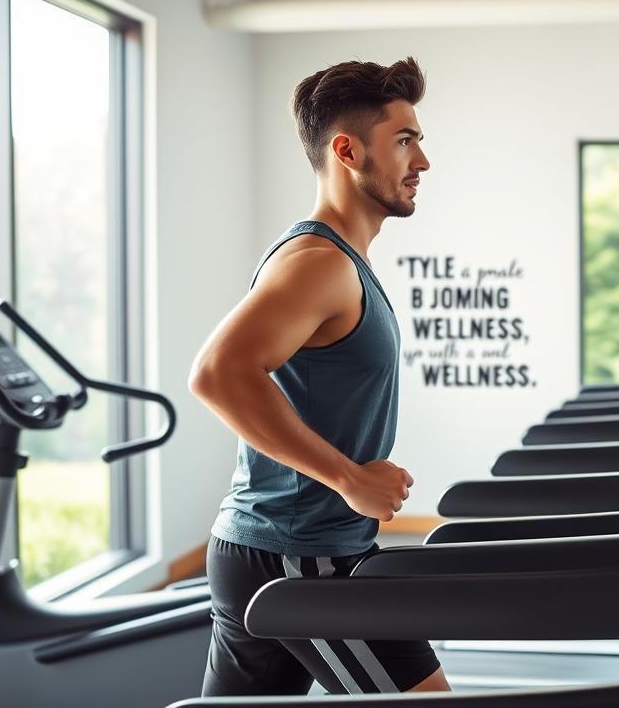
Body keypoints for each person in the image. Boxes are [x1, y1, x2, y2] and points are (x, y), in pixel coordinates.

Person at [189, 57, 447, 696]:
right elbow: (218, 373)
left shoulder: (336, 259)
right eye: (405, 140)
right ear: (347, 150)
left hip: (274, 548)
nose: (423, 162)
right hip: (301, 557)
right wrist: (349, 477)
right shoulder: (318, 263)